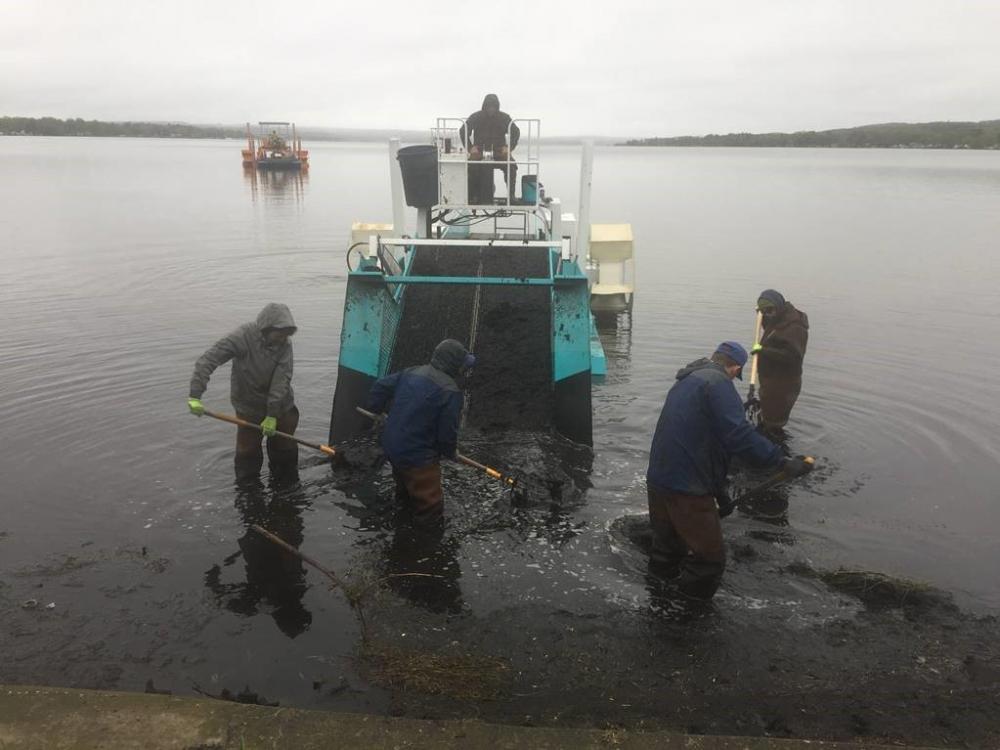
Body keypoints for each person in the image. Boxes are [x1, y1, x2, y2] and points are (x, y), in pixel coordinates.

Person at [646, 341, 812, 601]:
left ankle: (654, 603)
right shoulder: (718, 384)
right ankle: (683, 619)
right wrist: (780, 461)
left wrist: (719, 493)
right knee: (709, 562)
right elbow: (738, 435)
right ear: (734, 368)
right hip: (686, 488)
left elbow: (709, 445)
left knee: (666, 552)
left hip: (659, 480)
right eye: (737, 373)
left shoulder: (686, 381)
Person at [366, 339, 474, 526]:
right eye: (463, 365)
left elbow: (380, 386)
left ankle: (401, 526)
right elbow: (447, 434)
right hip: (417, 458)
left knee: (404, 493)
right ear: (453, 365)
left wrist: (378, 410)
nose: (464, 370)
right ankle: (420, 548)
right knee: (429, 508)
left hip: (392, 447)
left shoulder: (411, 372)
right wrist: (450, 452)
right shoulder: (450, 391)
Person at [187, 303, 299, 479]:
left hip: (281, 406)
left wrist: (272, 415)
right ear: (267, 328)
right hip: (249, 407)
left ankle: (286, 488)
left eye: (286, 335)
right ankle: (248, 493)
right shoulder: (242, 337)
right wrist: (195, 395)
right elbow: (209, 360)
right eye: (279, 334)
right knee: (247, 454)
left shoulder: (285, 344)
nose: (282, 339)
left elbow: (281, 380)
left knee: (284, 450)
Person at [751, 289, 809, 434]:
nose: (768, 314)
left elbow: (793, 357)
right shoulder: (778, 319)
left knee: (773, 425)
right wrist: (762, 317)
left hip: (783, 386)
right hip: (771, 381)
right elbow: (773, 335)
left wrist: (763, 351)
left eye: (770, 310)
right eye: (764, 311)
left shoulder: (795, 327)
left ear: (778, 306)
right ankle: (769, 445)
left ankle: (777, 452)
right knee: (766, 421)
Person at [459, 93, 520, 204]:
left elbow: (516, 132)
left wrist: (509, 148)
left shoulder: (504, 118)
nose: (491, 109)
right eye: (489, 106)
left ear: (497, 106)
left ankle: (511, 197)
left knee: (511, 166)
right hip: (480, 151)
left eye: (493, 106)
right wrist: (470, 147)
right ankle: (472, 196)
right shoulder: (476, 117)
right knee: (471, 166)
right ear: (484, 106)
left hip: (499, 151)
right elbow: (463, 130)